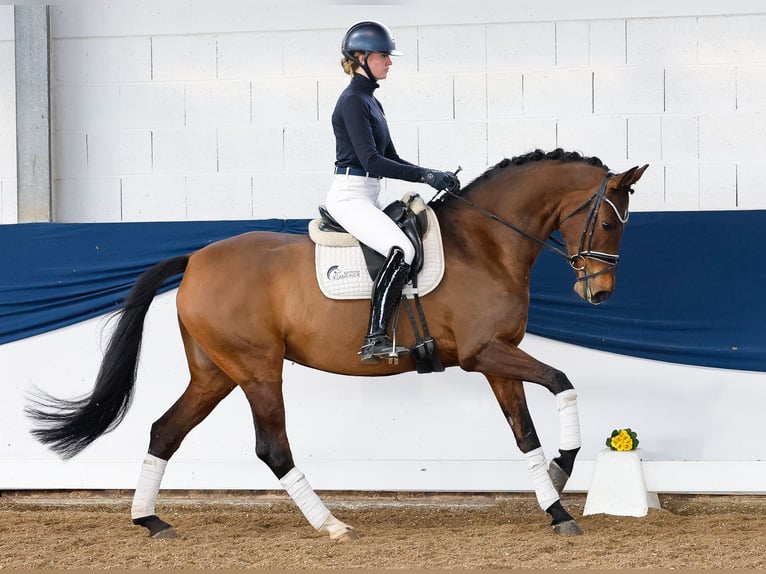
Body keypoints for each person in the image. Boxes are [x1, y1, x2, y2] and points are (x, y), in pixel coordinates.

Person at [326, 20, 459, 364]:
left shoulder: (371, 101)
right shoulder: (353, 101)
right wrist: (426, 175)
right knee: (401, 249)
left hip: (370, 194)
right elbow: (372, 160)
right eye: (383, 56)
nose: (389, 62)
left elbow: (391, 159)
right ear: (360, 57)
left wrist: (434, 175)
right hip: (350, 195)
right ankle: (375, 338)